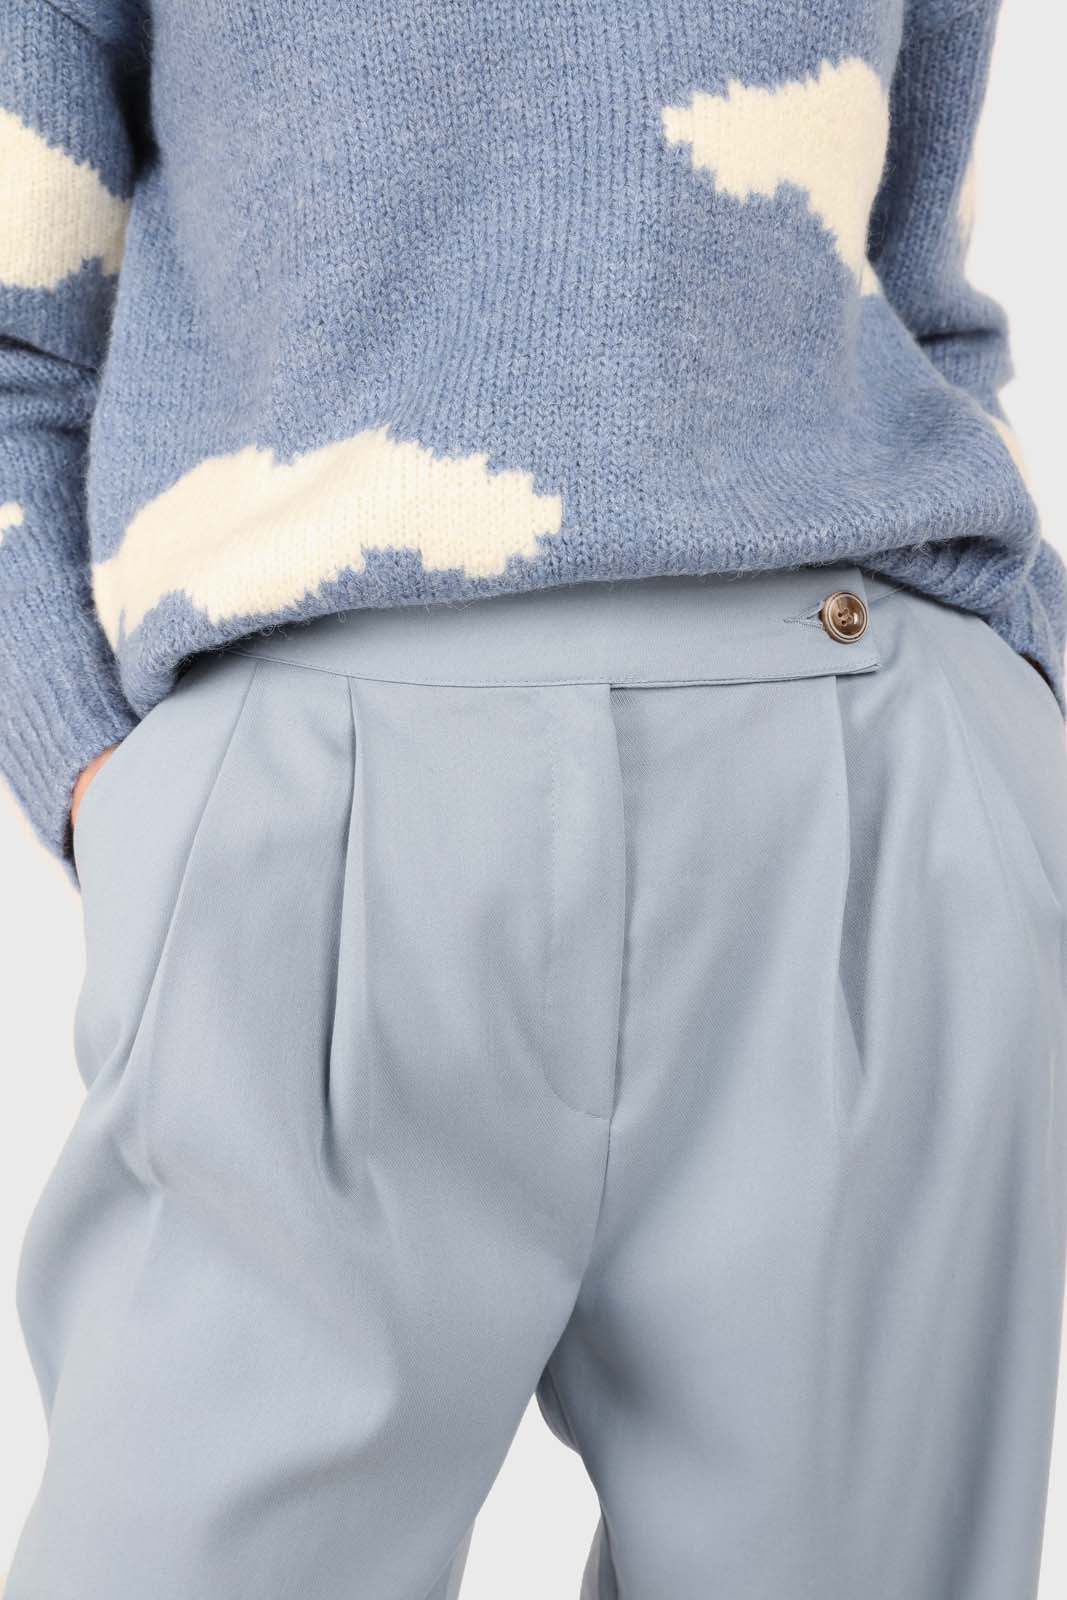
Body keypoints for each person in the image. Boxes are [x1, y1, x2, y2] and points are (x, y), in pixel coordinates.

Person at [1, 2, 1064, 1595]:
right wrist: (98, 775)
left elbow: (911, 280)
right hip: (310, 812)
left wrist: (1012, 696)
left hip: (866, 786)